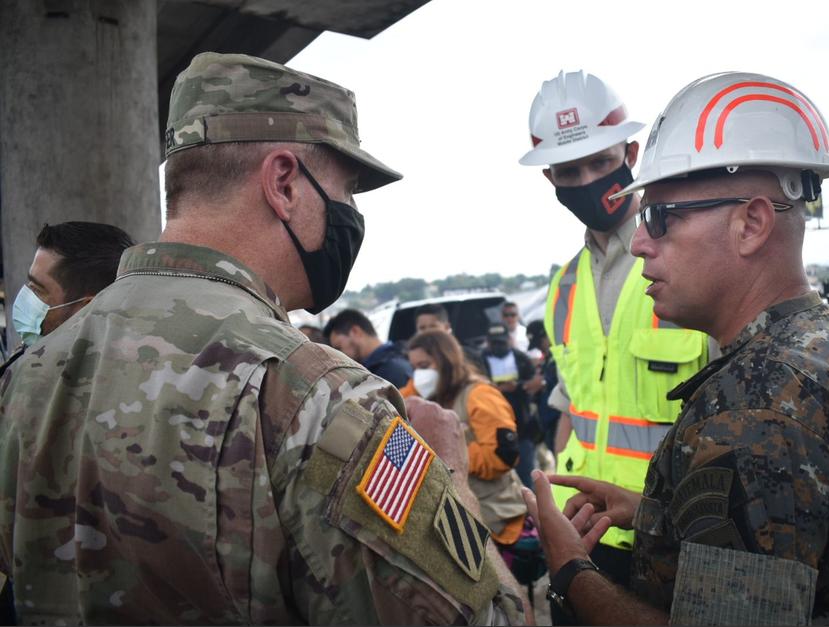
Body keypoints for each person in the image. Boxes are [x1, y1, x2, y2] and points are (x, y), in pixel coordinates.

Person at [0, 52, 525, 625]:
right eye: (346, 191)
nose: (349, 215)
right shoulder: (314, 396)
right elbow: (487, 617)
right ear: (284, 183)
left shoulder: (28, 372)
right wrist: (447, 472)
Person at [524, 71, 829, 625]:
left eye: (658, 216)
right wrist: (654, 513)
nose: (638, 241)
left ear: (751, 222)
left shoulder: (763, 404)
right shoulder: (820, 340)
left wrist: (569, 572)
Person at [519, 70, 711, 589]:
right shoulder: (562, 287)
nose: (586, 181)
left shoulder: (687, 265)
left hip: (669, 535)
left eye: (601, 163)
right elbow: (571, 405)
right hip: (581, 532)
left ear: (630, 154)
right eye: (569, 171)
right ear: (550, 179)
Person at [405, 330, 528, 546]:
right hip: (461, 520)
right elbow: (399, 399)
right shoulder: (431, 395)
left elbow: (502, 456)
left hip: (497, 520)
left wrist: (448, 450)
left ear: (446, 361)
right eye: (414, 368)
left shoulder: (479, 394)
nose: (419, 375)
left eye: (424, 366)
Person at [7, 221, 134, 355]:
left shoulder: (109, 372)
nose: (25, 298)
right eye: (30, 285)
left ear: (87, 308)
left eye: (38, 290)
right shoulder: (28, 357)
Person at [482, 322, 539, 490]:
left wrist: (519, 387)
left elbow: (535, 384)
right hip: (491, 432)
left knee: (527, 479)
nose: (498, 347)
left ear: (509, 339)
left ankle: (534, 514)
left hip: (522, 429)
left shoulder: (521, 359)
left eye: (502, 342)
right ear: (488, 341)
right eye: (494, 343)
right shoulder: (479, 361)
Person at [324, 308, 413, 388]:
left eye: (339, 348)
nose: (338, 356)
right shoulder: (396, 360)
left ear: (355, 332)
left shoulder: (390, 371)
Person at [413, 302, 485, 371]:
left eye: (433, 327)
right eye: (422, 328)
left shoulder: (469, 357)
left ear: (447, 327)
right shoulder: (412, 361)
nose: (427, 332)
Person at [525, 320, 560, 455]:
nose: (539, 348)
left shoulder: (559, 356)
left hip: (558, 420)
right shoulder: (546, 360)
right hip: (548, 423)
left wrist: (542, 383)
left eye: (539, 343)